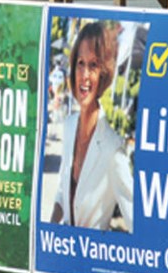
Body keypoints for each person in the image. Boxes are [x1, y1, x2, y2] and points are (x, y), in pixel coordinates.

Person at [51, 21, 133, 232]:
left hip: (91, 262)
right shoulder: (69, 127)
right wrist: (46, 235)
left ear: (103, 74)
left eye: (93, 65)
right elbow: (62, 192)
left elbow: (135, 221)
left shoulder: (113, 148)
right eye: (80, 63)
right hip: (62, 257)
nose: (85, 75)